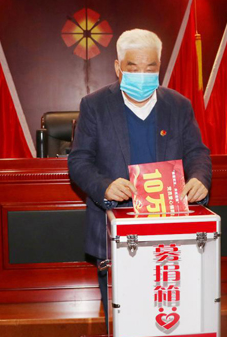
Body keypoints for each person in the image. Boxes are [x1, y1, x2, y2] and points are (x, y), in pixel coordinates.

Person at [68, 28, 212, 325]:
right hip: (115, 232)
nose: (142, 75)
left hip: (171, 233)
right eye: (133, 67)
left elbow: (197, 152)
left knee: (169, 316)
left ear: (160, 67)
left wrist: (200, 178)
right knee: (125, 321)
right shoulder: (95, 105)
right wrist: (105, 186)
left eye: (150, 68)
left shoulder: (178, 105)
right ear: (118, 67)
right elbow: (79, 161)